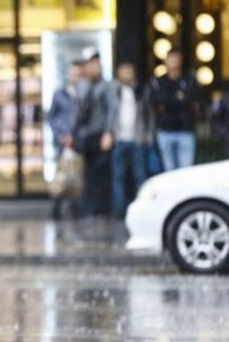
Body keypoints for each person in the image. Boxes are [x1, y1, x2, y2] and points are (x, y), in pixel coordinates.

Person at [107, 63, 152, 219]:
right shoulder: (113, 90)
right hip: (118, 138)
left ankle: (142, 209)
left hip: (136, 138)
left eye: (129, 72)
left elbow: (148, 114)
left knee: (139, 175)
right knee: (117, 176)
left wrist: (148, 135)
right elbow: (109, 113)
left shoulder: (140, 90)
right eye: (123, 72)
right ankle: (119, 210)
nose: (127, 75)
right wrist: (108, 133)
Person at [72, 50, 113, 218]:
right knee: (87, 174)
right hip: (85, 136)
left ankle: (101, 209)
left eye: (95, 65)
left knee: (102, 173)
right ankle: (87, 209)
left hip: (100, 134)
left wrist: (109, 133)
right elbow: (78, 110)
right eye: (90, 65)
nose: (93, 68)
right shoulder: (83, 85)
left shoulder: (106, 86)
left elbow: (111, 110)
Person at [149, 49, 198, 171]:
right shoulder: (158, 81)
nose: (174, 63)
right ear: (165, 61)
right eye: (171, 59)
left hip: (185, 130)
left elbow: (191, 99)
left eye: (176, 59)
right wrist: (177, 99)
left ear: (181, 61)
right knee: (169, 171)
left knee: (186, 172)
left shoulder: (189, 80)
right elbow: (156, 102)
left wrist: (169, 102)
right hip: (165, 130)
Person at [47, 60, 83, 219]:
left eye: (78, 74)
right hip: (63, 142)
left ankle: (76, 210)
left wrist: (76, 136)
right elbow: (52, 117)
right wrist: (61, 135)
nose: (75, 76)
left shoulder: (84, 93)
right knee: (61, 175)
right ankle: (57, 210)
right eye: (73, 73)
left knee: (77, 175)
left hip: (79, 142)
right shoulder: (60, 93)